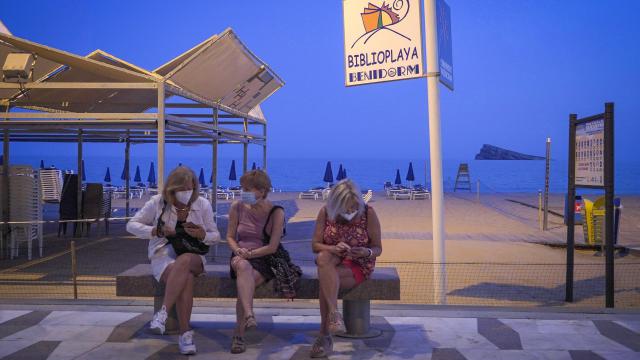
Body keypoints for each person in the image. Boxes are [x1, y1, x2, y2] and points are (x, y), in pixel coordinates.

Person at [126, 166, 220, 355]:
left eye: (190, 188)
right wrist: (155, 231)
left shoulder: (202, 204)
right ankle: (185, 335)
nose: (187, 192)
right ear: (172, 188)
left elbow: (216, 235)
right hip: (163, 255)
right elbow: (131, 225)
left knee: (184, 261)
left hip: (194, 255)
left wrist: (203, 234)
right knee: (186, 278)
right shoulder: (158, 203)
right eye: (183, 188)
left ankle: (163, 313)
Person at [310, 179, 382, 358]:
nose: (351, 211)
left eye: (353, 207)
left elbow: (377, 248)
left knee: (325, 282)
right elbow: (315, 245)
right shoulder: (325, 212)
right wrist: (333, 248)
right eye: (346, 208)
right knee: (323, 258)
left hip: (358, 264)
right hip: (332, 260)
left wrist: (365, 252)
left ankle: (324, 335)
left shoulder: (368, 213)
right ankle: (334, 314)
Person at [226, 170, 285, 354]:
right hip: (240, 254)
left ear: (262, 190)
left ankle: (239, 334)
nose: (243, 192)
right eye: (242, 188)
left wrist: (250, 254)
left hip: (264, 258)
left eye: (247, 189)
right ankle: (249, 316)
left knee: (245, 282)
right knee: (243, 268)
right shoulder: (237, 207)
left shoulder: (276, 212)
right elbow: (229, 236)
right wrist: (237, 250)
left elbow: (273, 247)